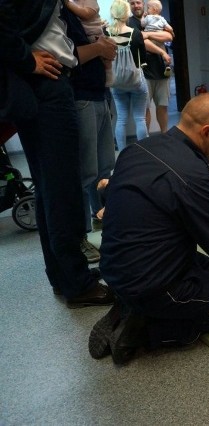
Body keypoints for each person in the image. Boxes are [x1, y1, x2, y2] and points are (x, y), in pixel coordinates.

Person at [95, 93, 209, 365]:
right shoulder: (195, 173)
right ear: (205, 132)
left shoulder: (137, 148)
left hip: (115, 268)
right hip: (152, 284)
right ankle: (146, 329)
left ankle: (128, 303)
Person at [0, 0, 116, 307]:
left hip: (44, 84)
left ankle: (63, 276)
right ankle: (77, 283)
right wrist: (26, 60)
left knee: (49, 190)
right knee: (62, 190)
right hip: (46, 84)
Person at [61, 3, 118, 263]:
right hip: (81, 95)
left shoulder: (87, 11)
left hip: (101, 94)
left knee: (106, 168)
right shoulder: (63, 12)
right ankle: (82, 237)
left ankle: (107, 221)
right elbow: (67, 55)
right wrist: (99, 48)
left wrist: (104, 49)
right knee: (86, 173)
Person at [107, 0, 148, 151]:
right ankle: (144, 152)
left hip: (116, 82)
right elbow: (143, 59)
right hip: (136, 81)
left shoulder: (106, 33)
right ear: (127, 14)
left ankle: (123, 152)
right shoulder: (135, 33)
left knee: (121, 119)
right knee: (140, 118)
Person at [128, 0, 173, 133]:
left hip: (162, 70)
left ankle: (165, 135)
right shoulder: (130, 22)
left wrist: (148, 34)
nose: (136, 6)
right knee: (145, 109)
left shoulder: (158, 18)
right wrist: (161, 51)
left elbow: (169, 36)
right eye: (132, 3)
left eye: (138, 3)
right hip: (143, 71)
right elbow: (141, 40)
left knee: (163, 106)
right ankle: (145, 140)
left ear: (144, 4)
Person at [64, 0, 114, 85]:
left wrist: (68, 3)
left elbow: (86, 14)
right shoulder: (73, 2)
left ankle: (109, 75)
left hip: (94, 34)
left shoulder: (90, 1)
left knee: (105, 58)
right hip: (85, 36)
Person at [140, 0, 173, 77]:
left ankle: (143, 62)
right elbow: (169, 28)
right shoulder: (162, 19)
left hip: (150, 40)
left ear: (153, 9)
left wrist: (143, 17)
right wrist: (172, 31)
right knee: (164, 52)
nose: (147, 10)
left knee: (143, 47)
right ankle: (167, 66)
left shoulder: (148, 17)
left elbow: (142, 24)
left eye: (148, 8)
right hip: (160, 40)